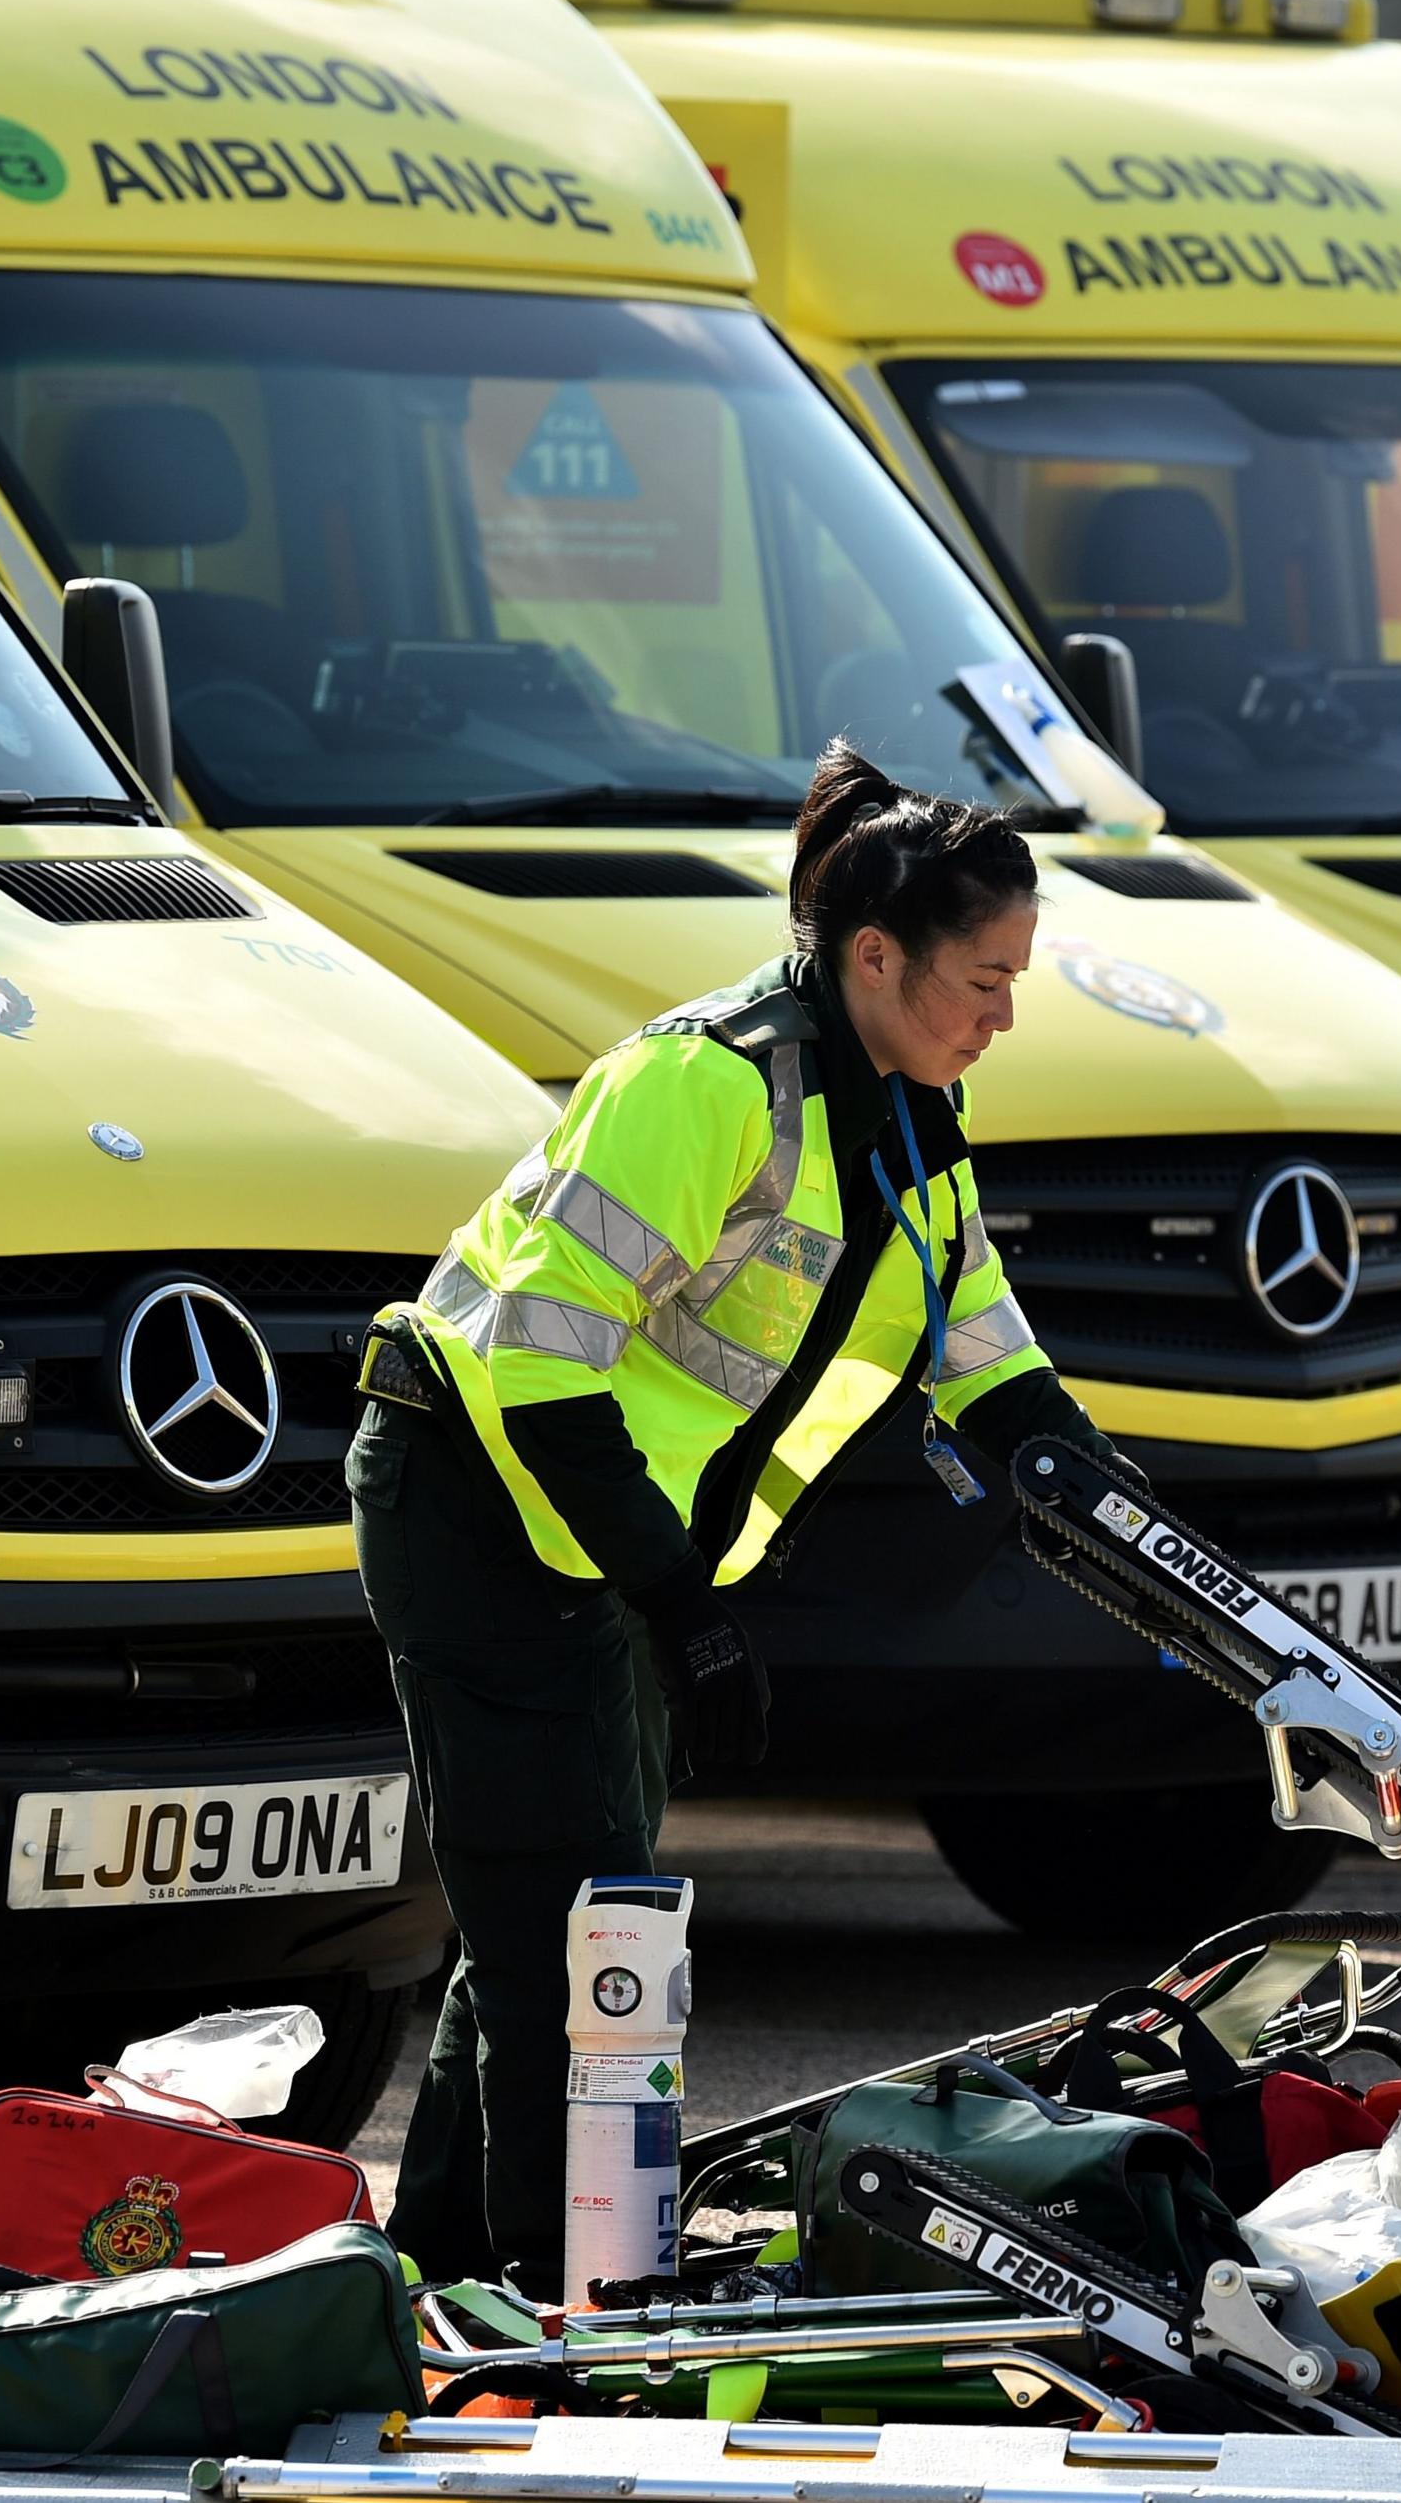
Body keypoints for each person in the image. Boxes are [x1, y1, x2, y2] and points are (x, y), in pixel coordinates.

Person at [347, 740, 1134, 2293]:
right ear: (873, 954)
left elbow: (988, 1353)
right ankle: (555, 2309)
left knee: (550, 1910)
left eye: (1017, 980)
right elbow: (535, 1356)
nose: (1005, 1015)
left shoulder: (910, 1124)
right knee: (577, 1948)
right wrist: (679, 1602)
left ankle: (440, 2277)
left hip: (611, 1547)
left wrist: (1121, 1514)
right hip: (480, 1505)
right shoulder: (708, 1082)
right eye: (984, 978)